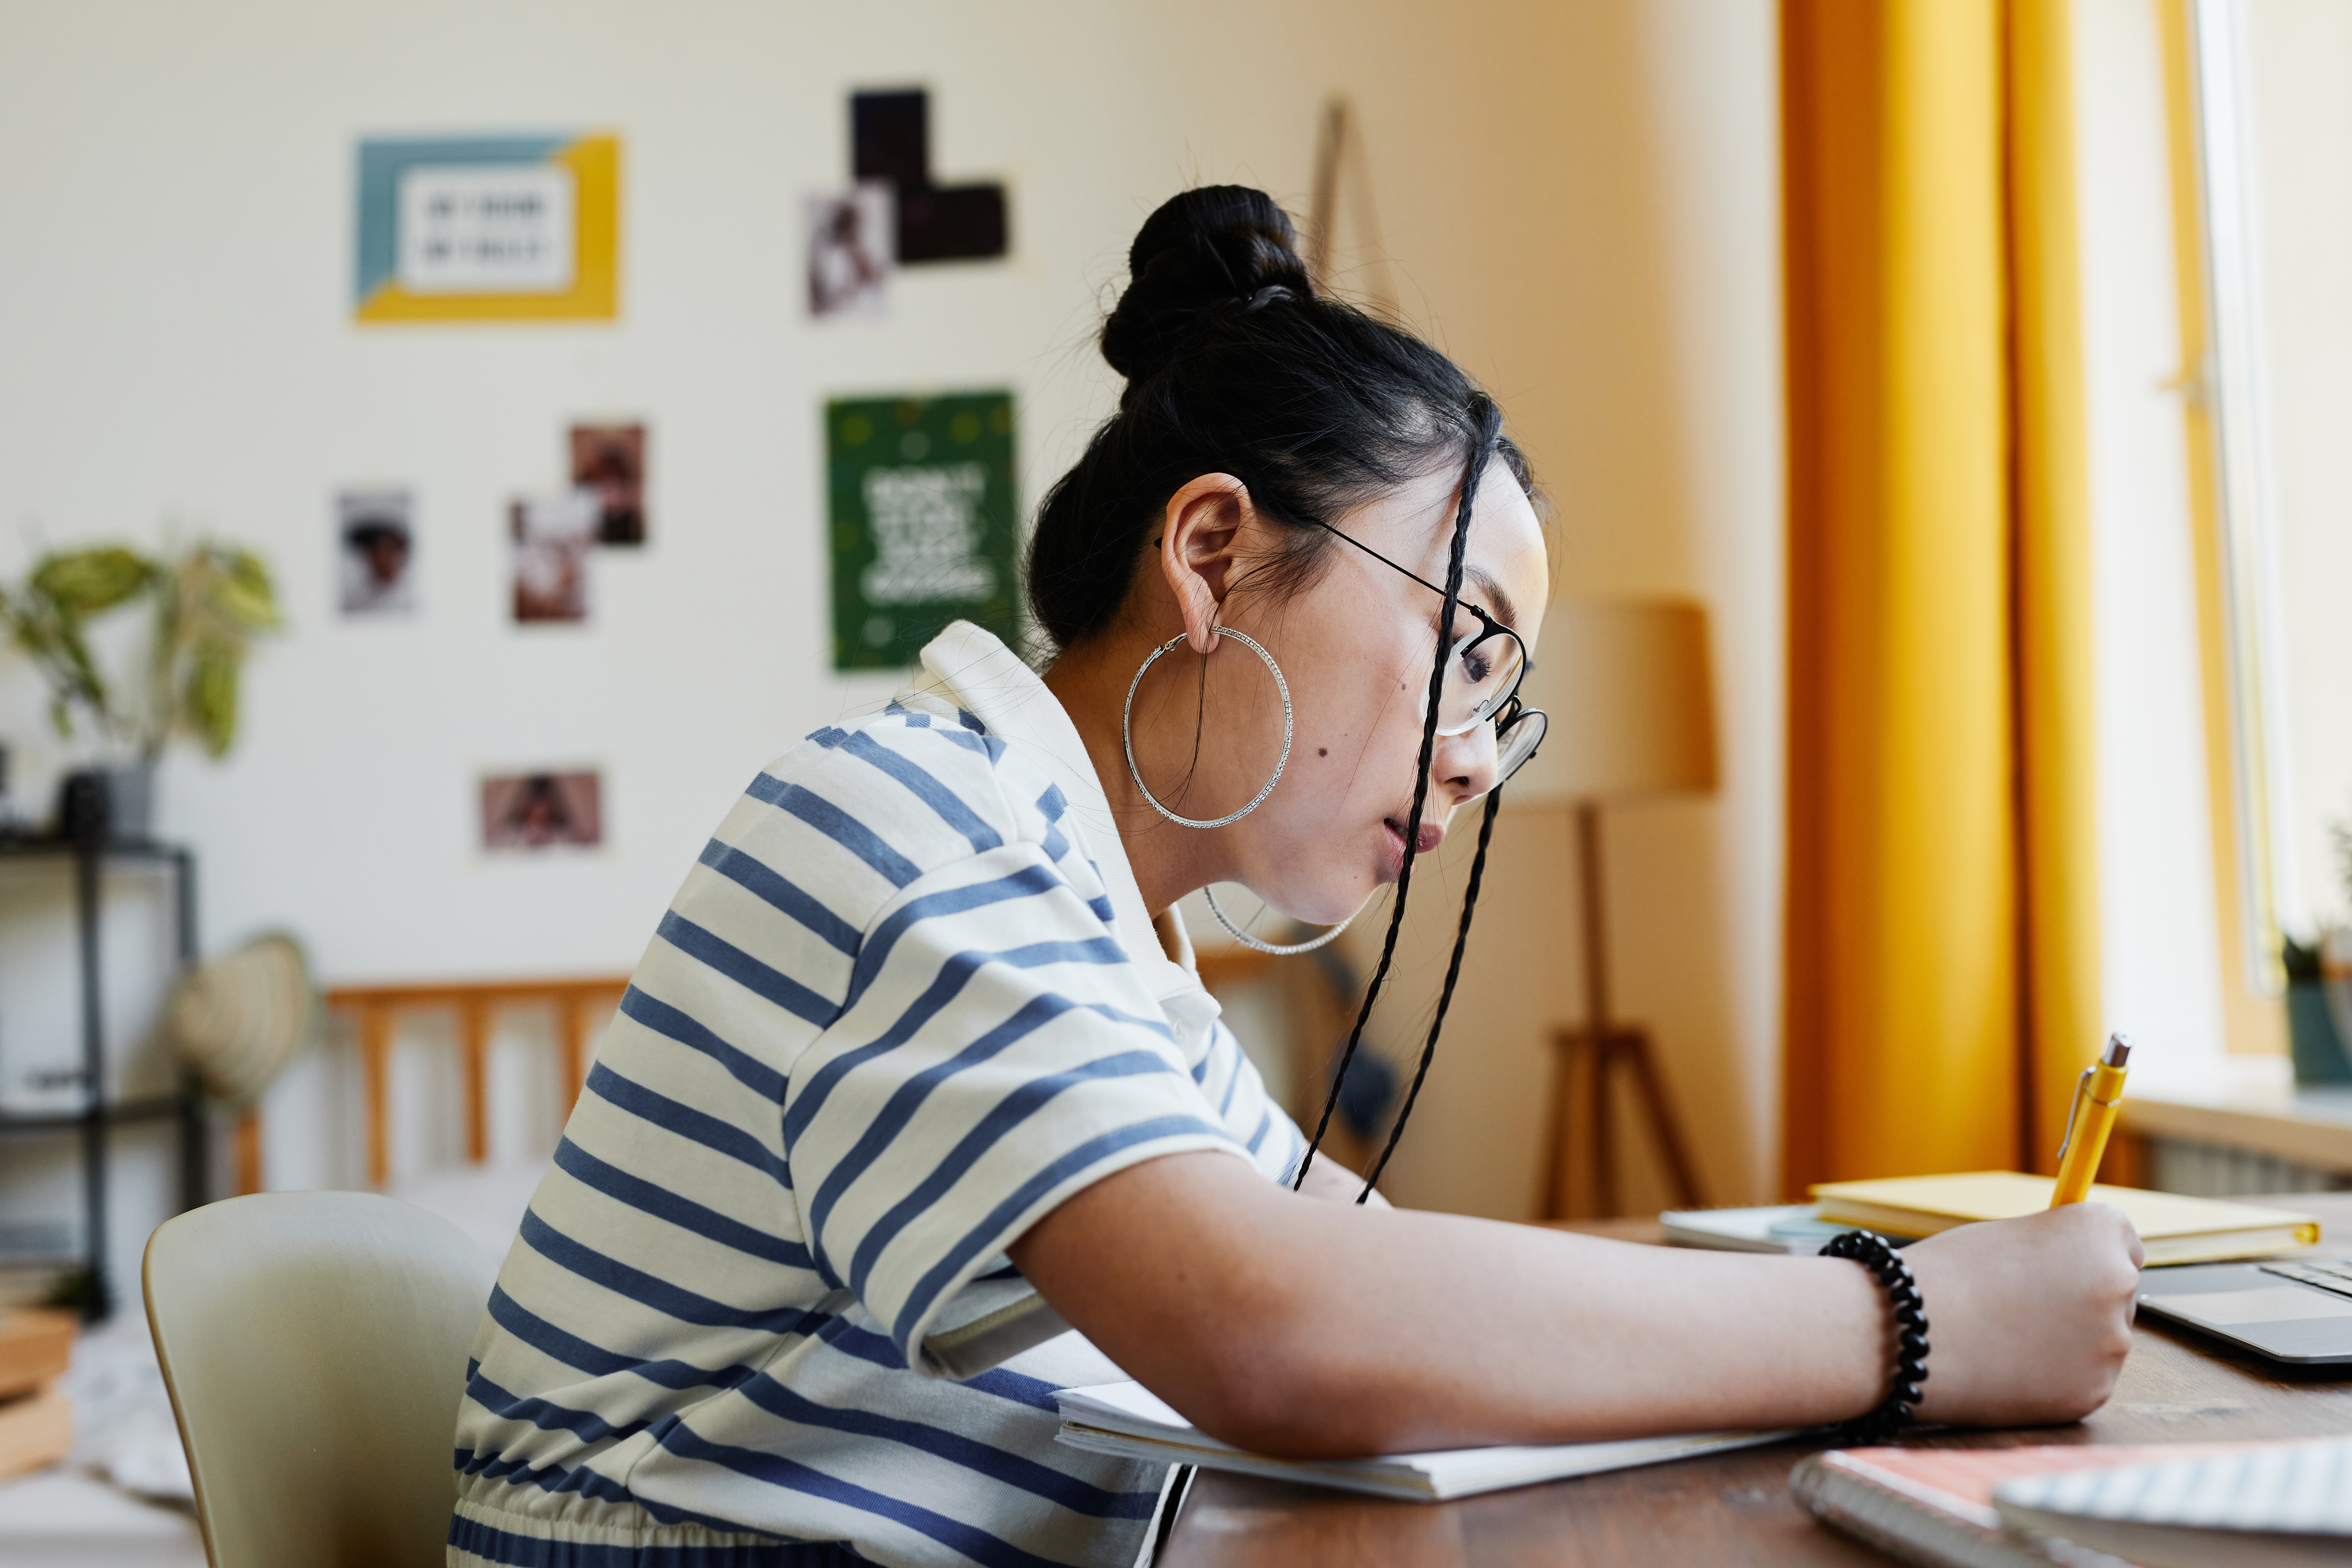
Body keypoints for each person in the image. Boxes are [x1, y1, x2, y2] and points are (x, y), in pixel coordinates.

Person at [448, 188, 2141, 1568]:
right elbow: (1276, 1327)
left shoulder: (1124, 954)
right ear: (1211, 554)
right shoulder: (899, 818)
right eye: (1468, 653)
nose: (1482, 753)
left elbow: (1378, 1282)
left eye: (1510, 702)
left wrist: (1830, 1295)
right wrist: (1909, 1320)